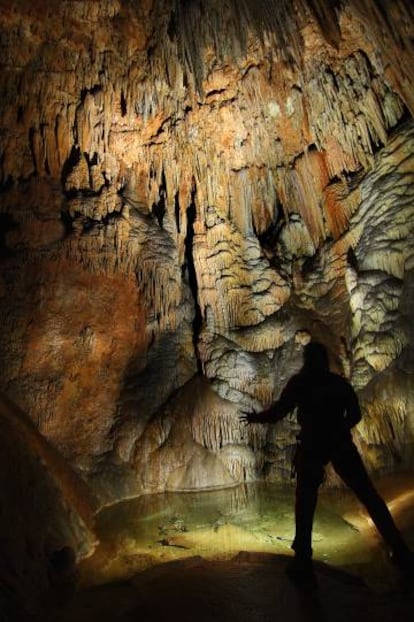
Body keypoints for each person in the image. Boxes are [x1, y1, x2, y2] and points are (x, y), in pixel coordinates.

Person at [241, 341, 414, 582]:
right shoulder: (337, 383)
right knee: (367, 495)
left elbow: (279, 411)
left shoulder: (301, 383)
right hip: (339, 443)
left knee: (305, 501)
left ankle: (303, 560)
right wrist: (339, 428)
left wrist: (255, 418)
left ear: (307, 360)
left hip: (313, 444)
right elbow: (355, 414)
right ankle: (401, 550)